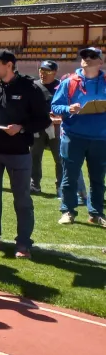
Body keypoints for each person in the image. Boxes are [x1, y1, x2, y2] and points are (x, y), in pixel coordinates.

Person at [0, 50, 52, 257]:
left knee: (22, 199)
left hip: (18, 151)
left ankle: (23, 243)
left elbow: (43, 120)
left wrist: (22, 128)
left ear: (9, 65)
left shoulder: (29, 87)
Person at [52, 47, 106, 227]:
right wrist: (69, 109)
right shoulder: (69, 82)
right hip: (73, 137)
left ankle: (96, 213)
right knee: (70, 176)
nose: (87, 58)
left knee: (98, 178)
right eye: (84, 56)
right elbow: (55, 107)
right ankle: (68, 211)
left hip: (100, 138)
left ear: (101, 61)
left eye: (92, 56)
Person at [31, 60, 63, 195]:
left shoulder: (61, 86)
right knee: (34, 157)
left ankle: (61, 187)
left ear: (55, 72)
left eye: (47, 71)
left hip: (55, 127)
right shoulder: (33, 86)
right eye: (42, 70)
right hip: (37, 126)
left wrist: (60, 118)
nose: (43, 74)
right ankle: (34, 185)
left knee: (60, 158)